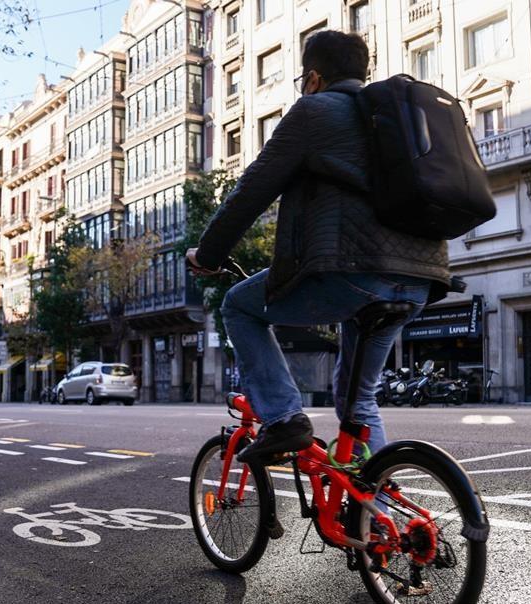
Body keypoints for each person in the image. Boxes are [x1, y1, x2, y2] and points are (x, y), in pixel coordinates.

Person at [186, 30, 453, 464]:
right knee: (357, 400)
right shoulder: (396, 118)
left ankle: (285, 418)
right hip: (421, 278)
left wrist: (209, 255)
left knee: (239, 306)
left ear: (312, 78)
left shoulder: (314, 111)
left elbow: (252, 190)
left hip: (353, 272)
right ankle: (375, 510)